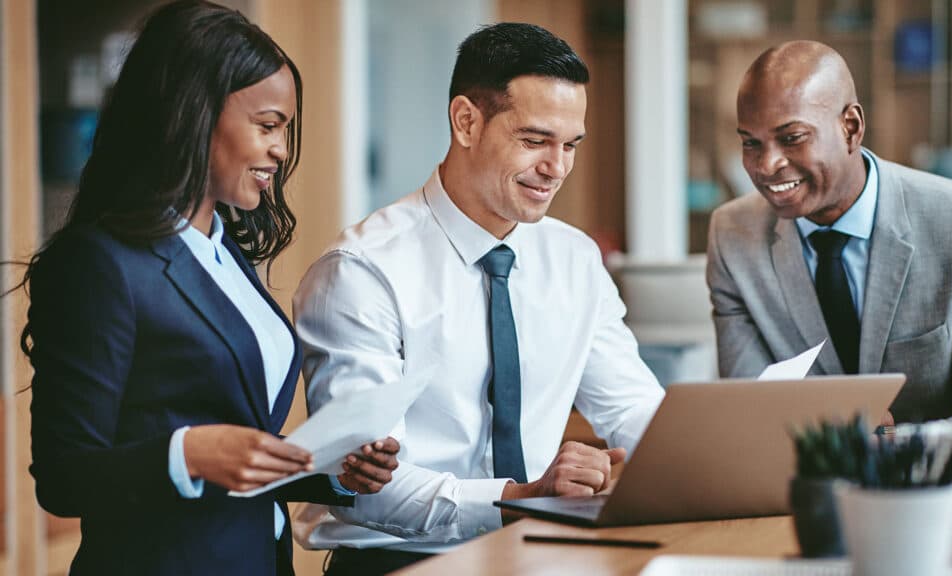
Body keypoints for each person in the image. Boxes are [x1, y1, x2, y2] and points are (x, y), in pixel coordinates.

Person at [21, 2, 398, 574]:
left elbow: (235, 450)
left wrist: (328, 469)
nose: (280, 149)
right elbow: (64, 476)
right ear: (194, 114)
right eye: (267, 125)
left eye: (285, 130)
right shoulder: (102, 264)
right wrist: (189, 453)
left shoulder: (225, 254)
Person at [291, 22, 665, 575]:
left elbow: (632, 407)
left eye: (570, 146)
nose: (556, 169)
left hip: (540, 558)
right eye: (535, 141)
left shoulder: (575, 259)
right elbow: (369, 488)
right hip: (399, 566)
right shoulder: (363, 272)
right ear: (466, 121)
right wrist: (523, 495)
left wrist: (697, 457)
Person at [707, 40, 952, 425]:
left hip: (936, 482)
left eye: (792, 138)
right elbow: (750, 409)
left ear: (851, 128)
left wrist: (887, 449)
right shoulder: (732, 236)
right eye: (751, 143)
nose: (767, 164)